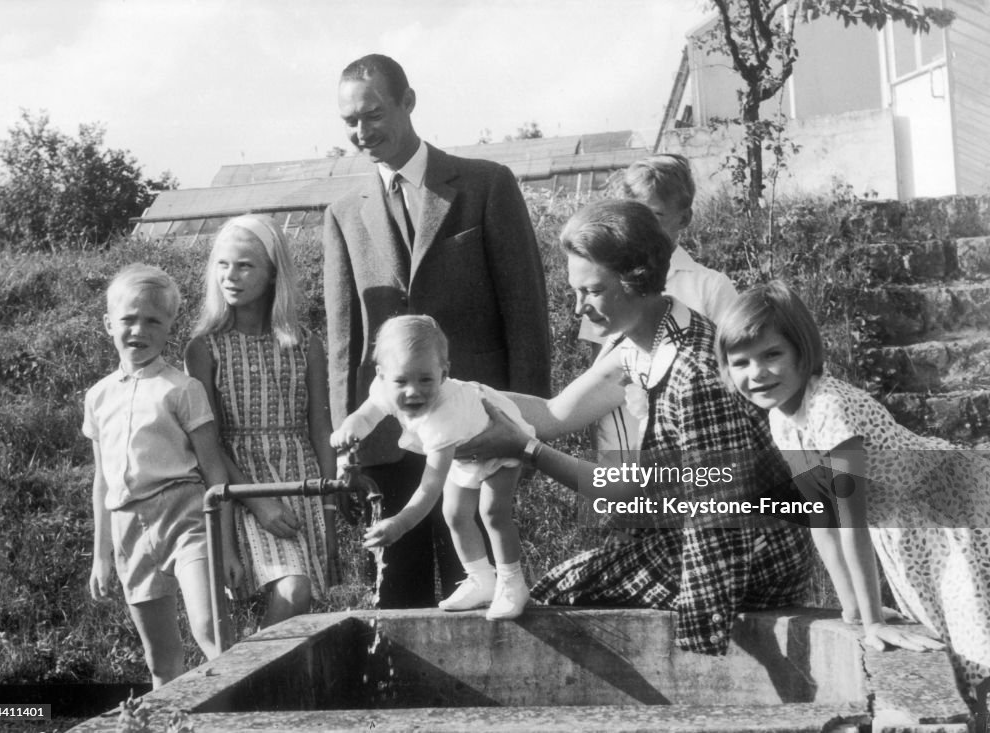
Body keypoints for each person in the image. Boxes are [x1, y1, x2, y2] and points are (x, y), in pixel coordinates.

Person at [460, 199, 810, 655]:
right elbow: (553, 414)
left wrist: (699, 639)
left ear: (637, 278)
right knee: (556, 590)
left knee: (557, 595)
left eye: (593, 291)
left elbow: (718, 518)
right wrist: (459, 396)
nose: (578, 309)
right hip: (689, 534)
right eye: (575, 291)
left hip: (755, 554)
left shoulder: (694, 374)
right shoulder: (641, 339)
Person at [324, 53, 551, 609]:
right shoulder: (343, 212)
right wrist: (347, 438)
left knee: (477, 577)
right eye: (349, 122)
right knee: (397, 589)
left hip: (474, 424)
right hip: (390, 431)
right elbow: (343, 340)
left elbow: (525, 310)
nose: (361, 132)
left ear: (408, 101)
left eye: (373, 114)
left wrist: (526, 427)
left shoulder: (483, 185)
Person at [715, 280, 990, 704]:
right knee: (947, 653)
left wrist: (875, 622)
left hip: (954, 510)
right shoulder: (783, 419)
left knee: (978, 650)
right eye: (741, 362)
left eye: (772, 355)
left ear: (802, 353)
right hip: (908, 528)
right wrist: (856, 610)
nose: (757, 373)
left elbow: (851, 522)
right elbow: (821, 523)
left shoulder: (831, 408)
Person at [85, 264, 241, 687]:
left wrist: (225, 548)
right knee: (161, 662)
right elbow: (102, 481)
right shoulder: (97, 396)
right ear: (108, 324)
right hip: (129, 529)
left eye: (153, 320)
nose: (139, 329)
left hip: (186, 520)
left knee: (211, 631)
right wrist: (101, 556)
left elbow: (213, 469)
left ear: (170, 325)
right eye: (128, 319)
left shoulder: (182, 389)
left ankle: (243, 716)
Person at [186, 214, 337, 628]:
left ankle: (268, 682)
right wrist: (257, 500)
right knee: (294, 589)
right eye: (222, 264)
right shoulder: (205, 348)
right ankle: (257, 685)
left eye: (245, 265)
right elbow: (209, 443)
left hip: (301, 477)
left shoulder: (305, 342)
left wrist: (328, 503)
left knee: (299, 602)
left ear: (273, 274)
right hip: (240, 482)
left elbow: (320, 427)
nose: (230, 276)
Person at [331, 315, 536, 620]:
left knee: (492, 513)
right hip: (464, 451)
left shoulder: (445, 413)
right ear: (383, 376)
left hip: (500, 443)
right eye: (402, 381)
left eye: (425, 379)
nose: (413, 391)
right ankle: (481, 579)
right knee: (454, 514)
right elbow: (366, 416)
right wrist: (349, 430)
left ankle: (512, 583)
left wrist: (400, 523)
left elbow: (430, 486)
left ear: (444, 373)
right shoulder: (386, 387)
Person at [583, 154, 739, 458]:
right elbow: (595, 372)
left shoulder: (709, 286)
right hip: (620, 436)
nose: (642, 228)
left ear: (684, 218)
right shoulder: (602, 285)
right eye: (635, 216)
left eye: (655, 216)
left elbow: (732, 367)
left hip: (691, 441)